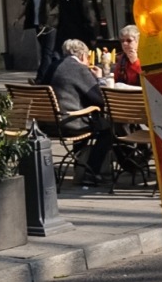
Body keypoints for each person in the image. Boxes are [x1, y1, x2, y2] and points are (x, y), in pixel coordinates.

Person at [49, 39, 114, 186]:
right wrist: (99, 79)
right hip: (69, 124)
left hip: (47, 124)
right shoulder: (78, 68)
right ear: (83, 56)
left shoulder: (52, 66)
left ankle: (80, 167)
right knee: (108, 129)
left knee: (87, 120)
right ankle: (91, 172)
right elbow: (99, 99)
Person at [16, 0, 60, 81]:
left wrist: (51, 16)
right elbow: (28, 3)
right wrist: (18, 17)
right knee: (52, 54)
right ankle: (56, 78)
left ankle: (39, 80)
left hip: (49, 24)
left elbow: (58, 1)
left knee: (46, 53)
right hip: (37, 23)